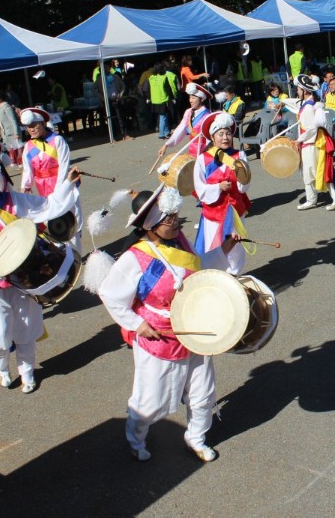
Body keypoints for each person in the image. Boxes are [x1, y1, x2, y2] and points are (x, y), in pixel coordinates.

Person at [99, 184, 239, 463]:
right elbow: (110, 293)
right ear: (150, 226)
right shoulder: (135, 258)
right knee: (152, 401)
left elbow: (199, 269)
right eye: (168, 219)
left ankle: (196, 438)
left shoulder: (181, 242)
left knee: (203, 393)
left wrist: (225, 248)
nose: (175, 222)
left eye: (175, 216)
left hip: (194, 329)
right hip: (159, 336)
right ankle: (134, 436)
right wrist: (136, 324)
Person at [0, 159, 81, 392]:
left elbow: (48, 206)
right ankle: (1, 368)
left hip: (25, 275)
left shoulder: (15, 200)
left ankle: (27, 371)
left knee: (26, 326)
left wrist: (68, 185)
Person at [193, 111, 252, 274]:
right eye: (221, 134)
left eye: (227, 133)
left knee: (236, 248)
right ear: (213, 137)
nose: (225, 137)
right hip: (214, 213)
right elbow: (200, 189)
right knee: (215, 246)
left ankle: (235, 276)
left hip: (234, 210)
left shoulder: (239, 155)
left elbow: (243, 187)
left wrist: (242, 180)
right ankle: (217, 277)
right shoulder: (202, 159)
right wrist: (217, 188)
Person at [290, 74, 335, 211]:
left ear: (304, 90)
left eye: (298, 89)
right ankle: (312, 199)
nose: (297, 91)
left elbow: (311, 129)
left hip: (311, 143)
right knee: (309, 172)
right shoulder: (308, 104)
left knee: (318, 171)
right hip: (310, 142)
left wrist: (299, 140)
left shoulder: (308, 107)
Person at [158, 82, 213, 161]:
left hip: (205, 151)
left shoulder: (208, 116)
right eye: (190, 97)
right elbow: (180, 129)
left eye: (193, 98)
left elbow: (211, 138)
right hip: (192, 149)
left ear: (202, 99)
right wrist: (166, 145)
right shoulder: (188, 112)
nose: (190, 100)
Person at [142, 63, 179, 139]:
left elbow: (148, 89)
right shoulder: (164, 77)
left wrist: (148, 98)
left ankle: (167, 132)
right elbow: (168, 89)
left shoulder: (151, 78)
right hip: (163, 100)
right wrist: (172, 98)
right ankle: (161, 134)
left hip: (154, 101)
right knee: (163, 117)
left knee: (162, 116)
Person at [0, 91, 22, 166]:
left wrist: (16, 133)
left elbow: (13, 121)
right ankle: (15, 163)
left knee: (17, 149)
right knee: (10, 149)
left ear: (1, 98)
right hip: (5, 133)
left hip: (12, 132)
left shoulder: (6, 107)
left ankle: (20, 163)